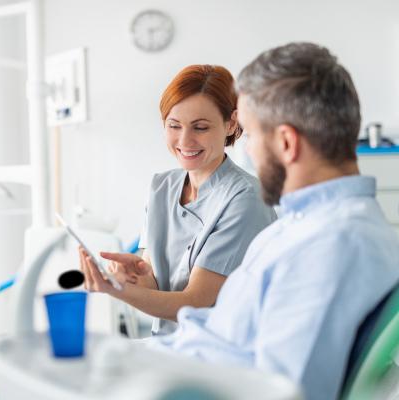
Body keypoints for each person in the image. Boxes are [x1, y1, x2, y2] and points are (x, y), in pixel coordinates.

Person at [141, 43, 399, 400]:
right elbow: (219, 331)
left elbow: (283, 391)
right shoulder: (301, 225)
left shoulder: (333, 245)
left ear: (286, 143)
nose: (247, 149)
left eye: (251, 134)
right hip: (177, 365)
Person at [79, 65, 277, 336]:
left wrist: (119, 291)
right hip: (169, 347)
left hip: (219, 356)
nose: (185, 140)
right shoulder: (162, 186)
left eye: (201, 127)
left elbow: (194, 303)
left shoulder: (245, 198)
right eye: (174, 126)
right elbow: (155, 285)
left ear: (231, 123)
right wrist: (133, 277)